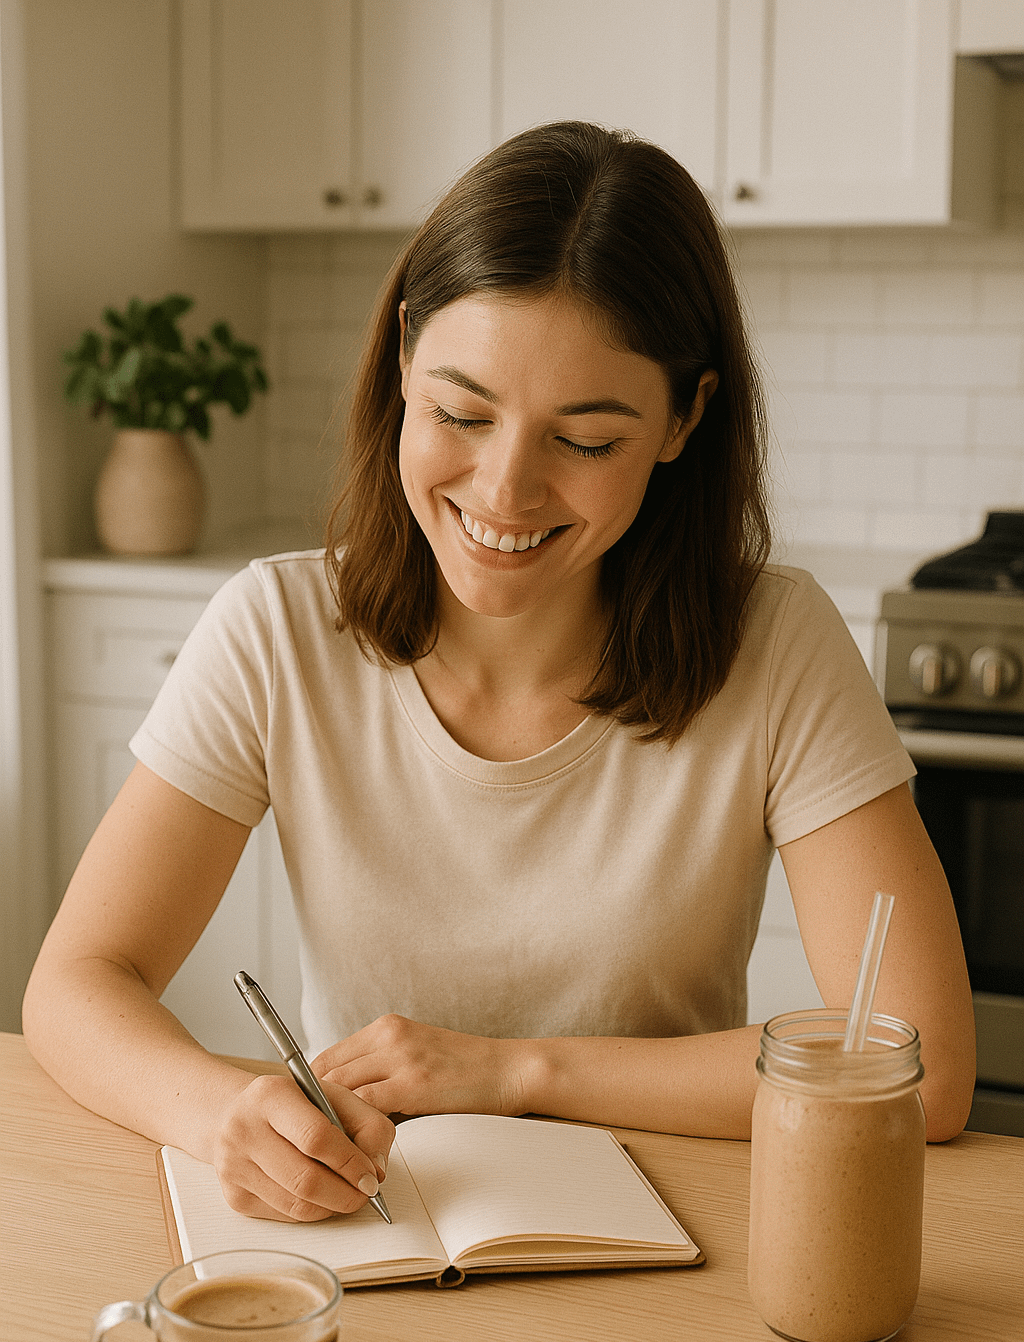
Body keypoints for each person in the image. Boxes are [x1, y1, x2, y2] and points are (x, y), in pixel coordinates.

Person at [23, 122, 975, 1226]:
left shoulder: (775, 644)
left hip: (672, 1228)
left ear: (684, 420)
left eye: (585, 440)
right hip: (369, 1225)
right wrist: (220, 1110)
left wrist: (518, 1072)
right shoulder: (277, 630)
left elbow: (927, 1065)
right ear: (401, 359)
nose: (504, 492)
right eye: (460, 414)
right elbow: (76, 983)